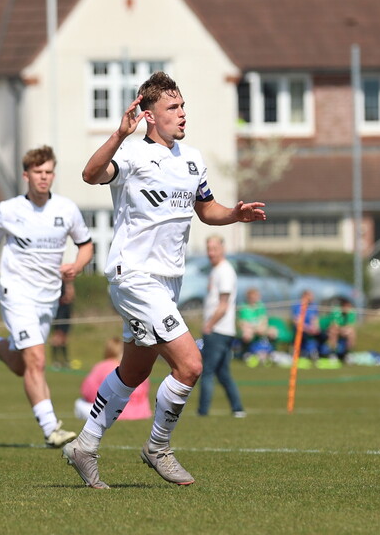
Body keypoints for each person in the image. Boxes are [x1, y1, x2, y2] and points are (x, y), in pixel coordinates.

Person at [64, 71, 265, 489]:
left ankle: (84, 445)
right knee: (191, 365)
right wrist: (119, 134)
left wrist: (235, 215)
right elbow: (90, 174)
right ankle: (158, 446)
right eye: (172, 107)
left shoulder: (192, 159)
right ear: (150, 115)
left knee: (133, 372)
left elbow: (206, 209)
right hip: (134, 278)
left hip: (167, 283)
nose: (182, 113)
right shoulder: (134, 156)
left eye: (183, 105)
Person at [0, 145, 93, 447]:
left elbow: (86, 245)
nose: (44, 178)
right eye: (38, 173)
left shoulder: (66, 209)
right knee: (37, 360)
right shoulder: (8, 210)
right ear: (26, 175)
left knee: (23, 364)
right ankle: (50, 428)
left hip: (48, 299)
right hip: (16, 293)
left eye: (48, 172)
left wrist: (77, 266)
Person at [197, 235, 246, 418]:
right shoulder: (215, 270)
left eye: (214, 248)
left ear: (222, 249)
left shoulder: (224, 271)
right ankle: (238, 408)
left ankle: (202, 412)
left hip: (219, 330)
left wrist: (209, 325)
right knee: (223, 373)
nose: (210, 253)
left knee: (207, 371)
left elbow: (223, 305)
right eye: (208, 248)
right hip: (222, 330)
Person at [74, 337, 152, 421]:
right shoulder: (137, 366)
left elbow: (87, 390)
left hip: (115, 413)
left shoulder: (104, 366)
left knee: (80, 403)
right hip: (142, 412)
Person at [238, 287, 278, 365]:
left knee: (273, 331)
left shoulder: (261, 306)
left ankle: (270, 352)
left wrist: (261, 328)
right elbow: (242, 323)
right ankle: (247, 353)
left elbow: (264, 320)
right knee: (247, 333)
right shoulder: (242, 306)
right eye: (253, 296)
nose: (255, 298)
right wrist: (254, 329)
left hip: (260, 328)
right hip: (248, 328)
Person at [292, 290, 325, 360]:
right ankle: (303, 353)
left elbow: (315, 320)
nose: (313, 297)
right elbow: (297, 322)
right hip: (301, 330)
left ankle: (320, 352)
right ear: (305, 296)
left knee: (323, 335)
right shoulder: (297, 306)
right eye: (311, 295)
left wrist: (315, 328)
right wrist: (308, 329)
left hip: (311, 330)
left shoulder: (313, 306)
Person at [50, 279, 75, 369]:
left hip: (66, 310)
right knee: (57, 336)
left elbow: (71, 296)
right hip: (59, 311)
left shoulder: (68, 282)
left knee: (64, 337)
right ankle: (55, 361)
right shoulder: (58, 283)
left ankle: (65, 360)